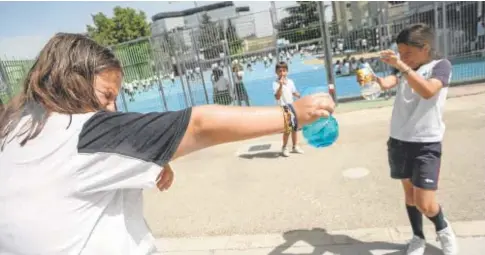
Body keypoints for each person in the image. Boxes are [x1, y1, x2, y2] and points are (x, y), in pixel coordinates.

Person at [0, 33, 335, 255]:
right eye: (106, 95)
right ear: (72, 82)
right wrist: (292, 114)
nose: (113, 109)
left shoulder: (15, 127)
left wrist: (145, 159)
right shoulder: (85, 133)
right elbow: (201, 125)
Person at [358, 24, 457, 255]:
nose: (404, 57)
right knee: (410, 196)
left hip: (426, 142)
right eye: (400, 53)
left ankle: (443, 229)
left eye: (408, 53)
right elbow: (387, 84)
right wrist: (374, 80)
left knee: (425, 203)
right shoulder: (404, 69)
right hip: (399, 140)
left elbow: (428, 91)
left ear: (425, 48)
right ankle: (418, 237)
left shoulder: (440, 66)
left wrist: (400, 65)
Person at [273, 61, 304, 157]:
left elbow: (293, 91)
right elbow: (277, 97)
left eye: (284, 71)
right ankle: (284, 147)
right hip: (283, 108)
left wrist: (298, 95)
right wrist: (281, 85)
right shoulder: (275, 83)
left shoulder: (290, 82)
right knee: (287, 130)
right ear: (276, 72)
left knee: (295, 128)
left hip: (292, 106)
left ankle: (295, 146)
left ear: (287, 71)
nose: (282, 73)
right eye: (280, 71)